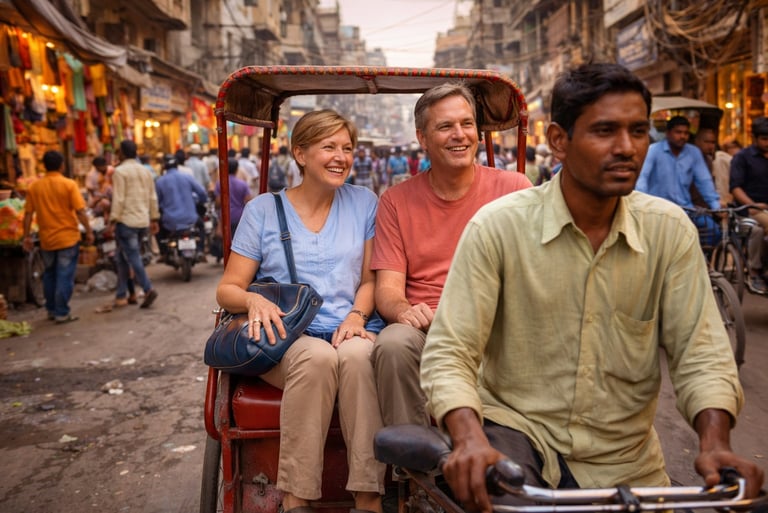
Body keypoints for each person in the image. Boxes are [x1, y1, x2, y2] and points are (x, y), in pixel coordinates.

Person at [419, 62, 764, 513]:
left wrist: (715, 442)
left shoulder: (668, 231)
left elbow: (700, 354)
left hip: (628, 462)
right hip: (519, 439)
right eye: (604, 131)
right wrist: (467, 440)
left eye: (639, 131)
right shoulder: (498, 227)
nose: (626, 148)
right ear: (558, 141)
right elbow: (450, 352)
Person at [215, 109, 385, 513]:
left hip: (350, 327)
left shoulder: (364, 202)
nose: (340, 157)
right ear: (301, 153)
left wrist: (355, 317)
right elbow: (227, 289)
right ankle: (296, 499)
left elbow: (369, 281)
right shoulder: (262, 210)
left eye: (347, 148)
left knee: (360, 357)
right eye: (329, 147)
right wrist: (254, 299)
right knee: (317, 357)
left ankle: (368, 496)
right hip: (286, 341)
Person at [370, 82, 532, 428]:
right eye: (445, 126)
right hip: (428, 325)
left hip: (496, 324)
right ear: (423, 138)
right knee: (393, 343)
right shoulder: (396, 201)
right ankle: (415, 466)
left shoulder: (515, 189)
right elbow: (387, 289)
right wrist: (403, 310)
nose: (459, 135)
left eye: (467, 124)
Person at [22, 150, 94, 323]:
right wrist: (89, 231)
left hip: (47, 239)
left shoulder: (35, 187)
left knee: (49, 275)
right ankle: (62, 312)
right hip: (67, 238)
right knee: (64, 276)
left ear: (44, 166)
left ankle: (52, 310)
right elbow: (80, 211)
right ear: (62, 165)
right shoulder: (68, 184)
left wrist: (26, 237)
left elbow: (27, 214)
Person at [636, 115, 721, 245]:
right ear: (668, 133)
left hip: (686, 209)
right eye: (678, 132)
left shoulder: (693, 152)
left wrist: (716, 206)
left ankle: (702, 259)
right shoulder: (654, 151)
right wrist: (643, 205)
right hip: (659, 211)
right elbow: (642, 179)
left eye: (686, 133)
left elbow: (704, 181)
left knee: (713, 230)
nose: (682, 136)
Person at [108, 139, 159, 309]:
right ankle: (122, 295)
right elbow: (152, 197)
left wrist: (113, 220)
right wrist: (154, 218)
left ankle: (147, 288)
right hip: (142, 221)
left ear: (121, 153)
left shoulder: (120, 172)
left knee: (132, 256)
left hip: (126, 221)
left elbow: (119, 199)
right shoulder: (145, 171)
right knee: (122, 258)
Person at [729, 116, 768, 294]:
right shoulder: (742, 157)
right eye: (764, 139)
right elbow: (735, 188)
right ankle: (754, 272)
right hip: (750, 209)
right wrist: (752, 204)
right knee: (760, 229)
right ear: (754, 138)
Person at [154, 153, 208, 256]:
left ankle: (164, 253)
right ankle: (200, 249)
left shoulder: (160, 181)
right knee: (201, 226)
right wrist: (202, 201)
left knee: (158, 229)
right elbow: (202, 192)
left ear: (164, 166)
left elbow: (157, 202)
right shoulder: (187, 177)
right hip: (191, 218)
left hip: (170, 221)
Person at [215, 158, 252, 236]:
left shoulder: (220, 183)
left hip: (225, 217)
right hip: (239, 217)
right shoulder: (243, 184)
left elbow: (218, 202)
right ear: (236, 169)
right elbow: (249, 201)